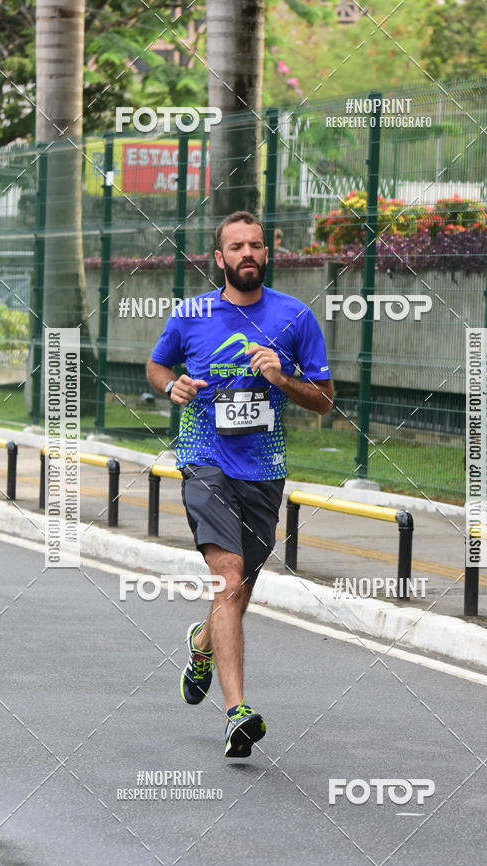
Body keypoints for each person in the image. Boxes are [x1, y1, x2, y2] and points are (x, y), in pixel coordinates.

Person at [146, 210, 333, 758]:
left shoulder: (295, 317)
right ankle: (236, 713)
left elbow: (324, 400)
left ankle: (202, 643)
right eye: (237, 246)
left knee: (242, 584)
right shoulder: (192, 314)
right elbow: (157, 368)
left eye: (255, 245)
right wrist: (172, 387)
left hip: (264, 467)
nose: (247, 253)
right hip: (204, 460)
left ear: (265, 253)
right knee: (227, 577)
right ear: (220, 257)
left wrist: (281, 377)